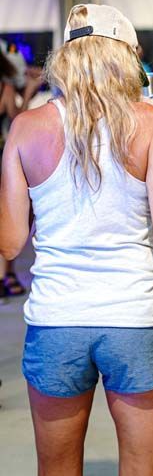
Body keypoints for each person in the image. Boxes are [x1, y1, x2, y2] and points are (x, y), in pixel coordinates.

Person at [0, 3, 153, 476]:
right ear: (125, 58)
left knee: (56, 472)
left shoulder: (27, 127)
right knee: (143, 470)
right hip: (135, 317)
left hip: (57, 319)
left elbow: (10, 244)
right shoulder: (149, 123)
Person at [0, 48, 41, 299]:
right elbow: (19, 120)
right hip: (1, 156)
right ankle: (6, 275)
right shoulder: (5, 88)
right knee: (8, 214)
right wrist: (27, 93)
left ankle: (6, 275)